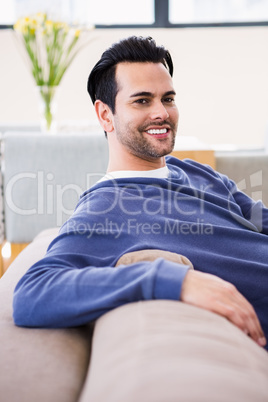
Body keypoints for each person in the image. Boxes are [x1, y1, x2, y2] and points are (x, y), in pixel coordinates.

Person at [13, 36, 267, 350]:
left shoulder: (196, 171)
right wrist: (175, 281)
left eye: (168, 98)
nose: (162, 112)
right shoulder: (104, 208)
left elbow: (260, 219)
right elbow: (33, 293)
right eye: (142, 101)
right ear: (105, 115)